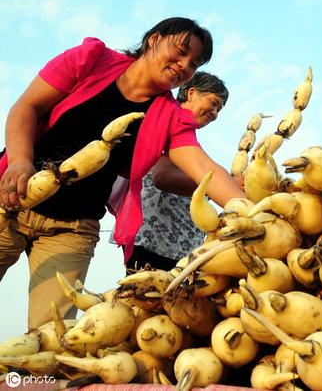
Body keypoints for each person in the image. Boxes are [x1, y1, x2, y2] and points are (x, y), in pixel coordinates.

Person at [0, 17, 245, 330]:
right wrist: (20, 160)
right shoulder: (90, 60)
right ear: (153, 39)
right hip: (11, 200)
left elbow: (204, 168)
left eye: (193, 63)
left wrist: (246, 210)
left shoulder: (169, 116)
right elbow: (27, 107)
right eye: (180, 51)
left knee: (51, 336)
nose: (184, 65)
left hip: (71, 229)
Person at [125, 72, 232, 272]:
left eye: (219, 109)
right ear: (191, 93)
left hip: (182, 248)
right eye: (213, 103)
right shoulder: (166, 123)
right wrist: (224, 185)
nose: (215, 113)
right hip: (155, 243)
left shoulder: (188, 142)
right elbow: (162, 177)